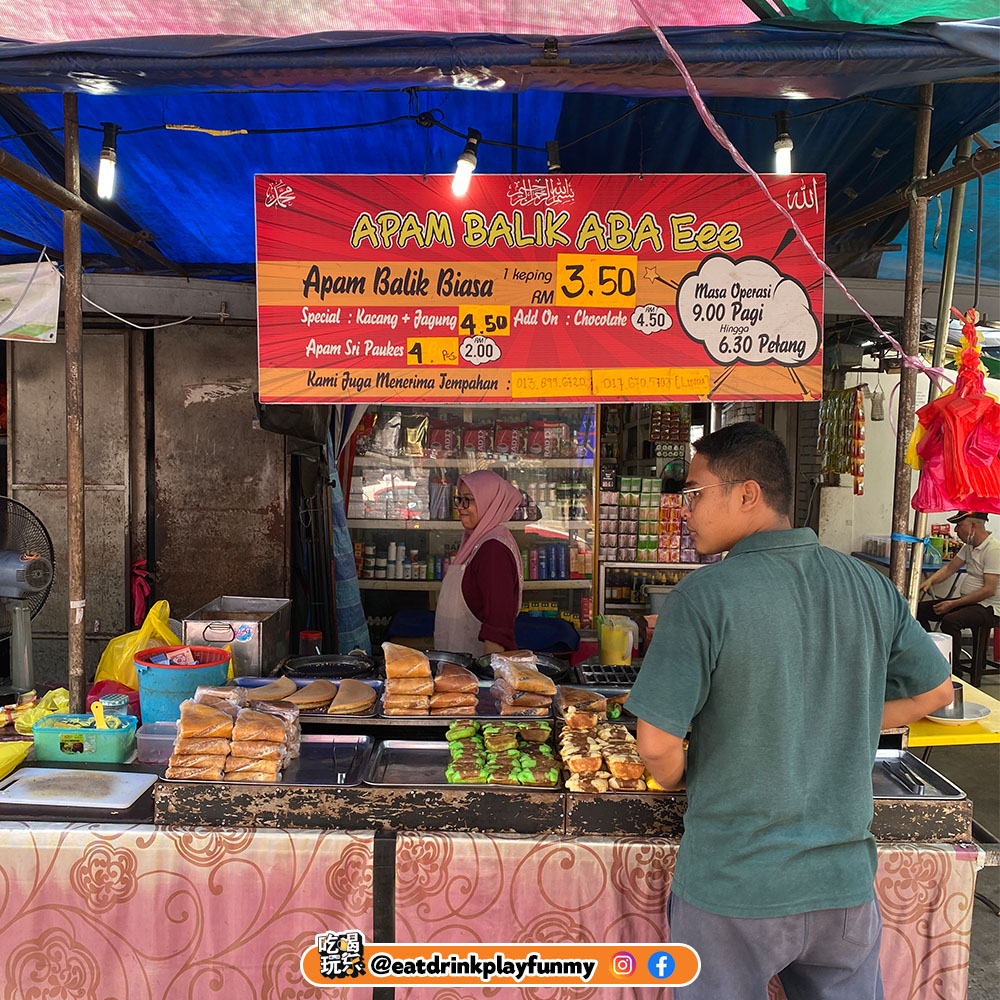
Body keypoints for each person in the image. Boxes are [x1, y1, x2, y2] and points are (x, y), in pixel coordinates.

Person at [629, 422, 953, 1000]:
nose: (686, 510)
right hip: (843, 887)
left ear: (747, 494)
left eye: (695, 493)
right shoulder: (869, 586)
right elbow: (936, 694)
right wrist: (840, 714)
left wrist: (682, 776)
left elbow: (655, 744)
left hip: (734, 885)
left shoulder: (704, 596)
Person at [433, 470, 523, 656]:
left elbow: (498, 626)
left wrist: (487, 678)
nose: (461, 507)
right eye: (459, 499)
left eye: (469, 499)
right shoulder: (476, 542)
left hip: (477, 672)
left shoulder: (493, 550)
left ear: (489, 503)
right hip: (459, 668)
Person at [916, 511, 1000, 672]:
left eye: (960, 525)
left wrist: (953, 603)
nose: (955, 530)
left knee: (951, 620)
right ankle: (930, 657)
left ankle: (952, 670)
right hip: (969, 602)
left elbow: (989, 590)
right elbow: (949, 568)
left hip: (989, 607)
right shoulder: (969, 546)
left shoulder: (993, 550)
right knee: (919, 610)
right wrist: (928, 582)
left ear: (973, 526)